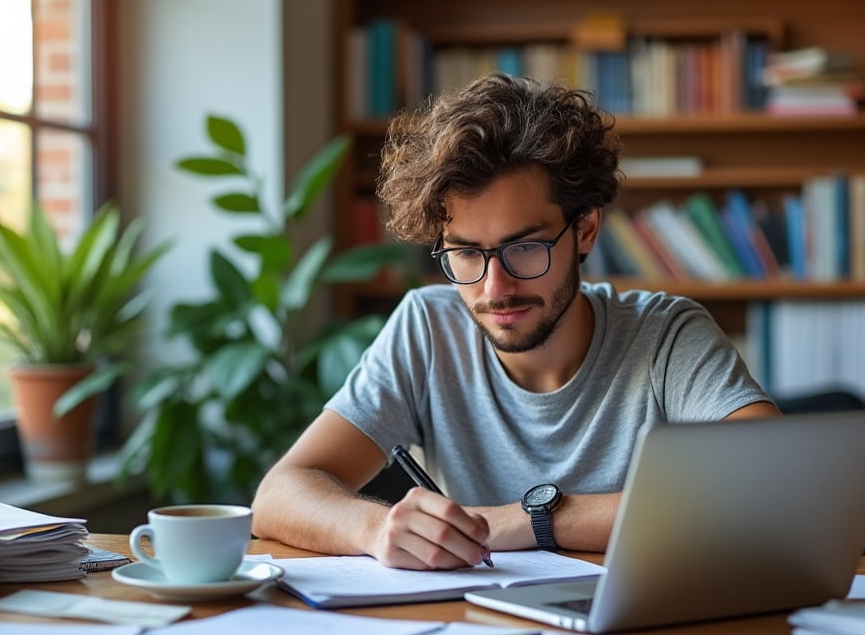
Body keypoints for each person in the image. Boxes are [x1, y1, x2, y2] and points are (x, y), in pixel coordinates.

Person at [253, 73, 779, 569]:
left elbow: (771, 481)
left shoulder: (665, 336)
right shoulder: (428, 328)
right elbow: (279, 494)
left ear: (587, 230)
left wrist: (536, 518)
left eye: (525, 248)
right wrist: (374, 527)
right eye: (465, 253)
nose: (494, 287)